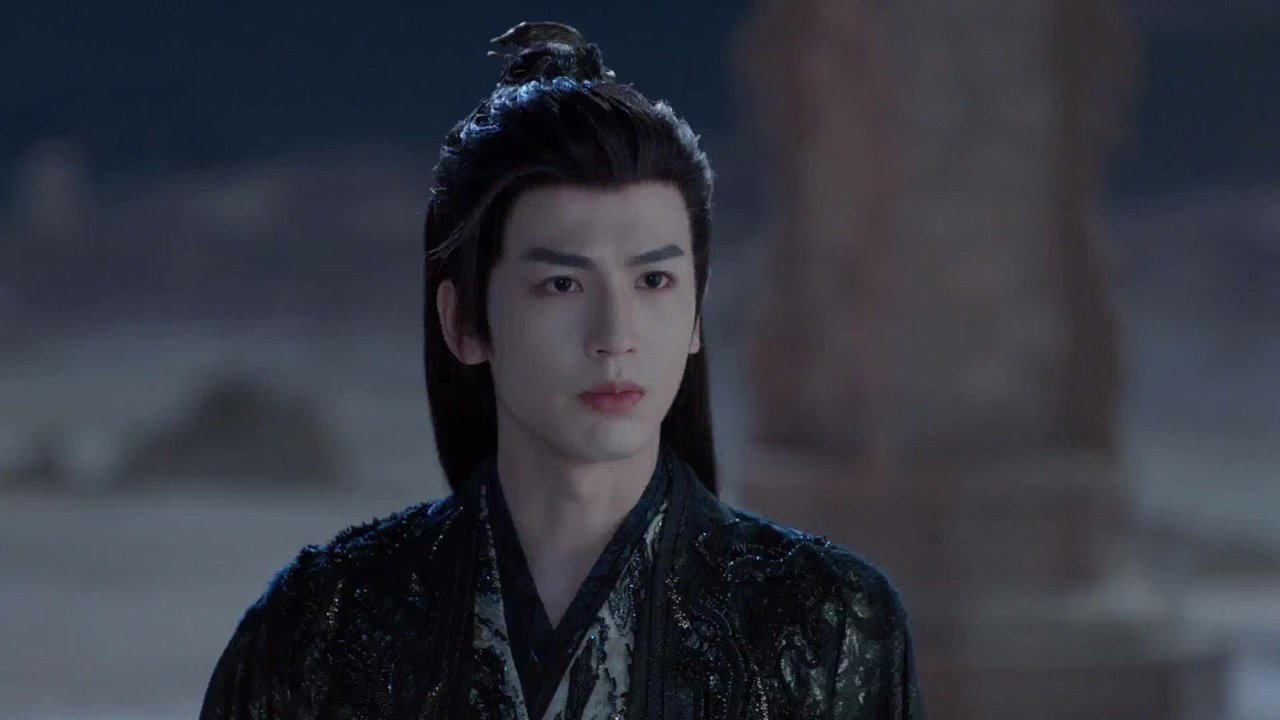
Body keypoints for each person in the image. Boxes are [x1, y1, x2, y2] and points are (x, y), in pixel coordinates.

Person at [199, 20, 924, 720]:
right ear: (464, 322)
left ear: (696, 317)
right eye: (562, 284)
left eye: (654, 282)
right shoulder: (321, 626)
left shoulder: (828, 622)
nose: (614, 338)